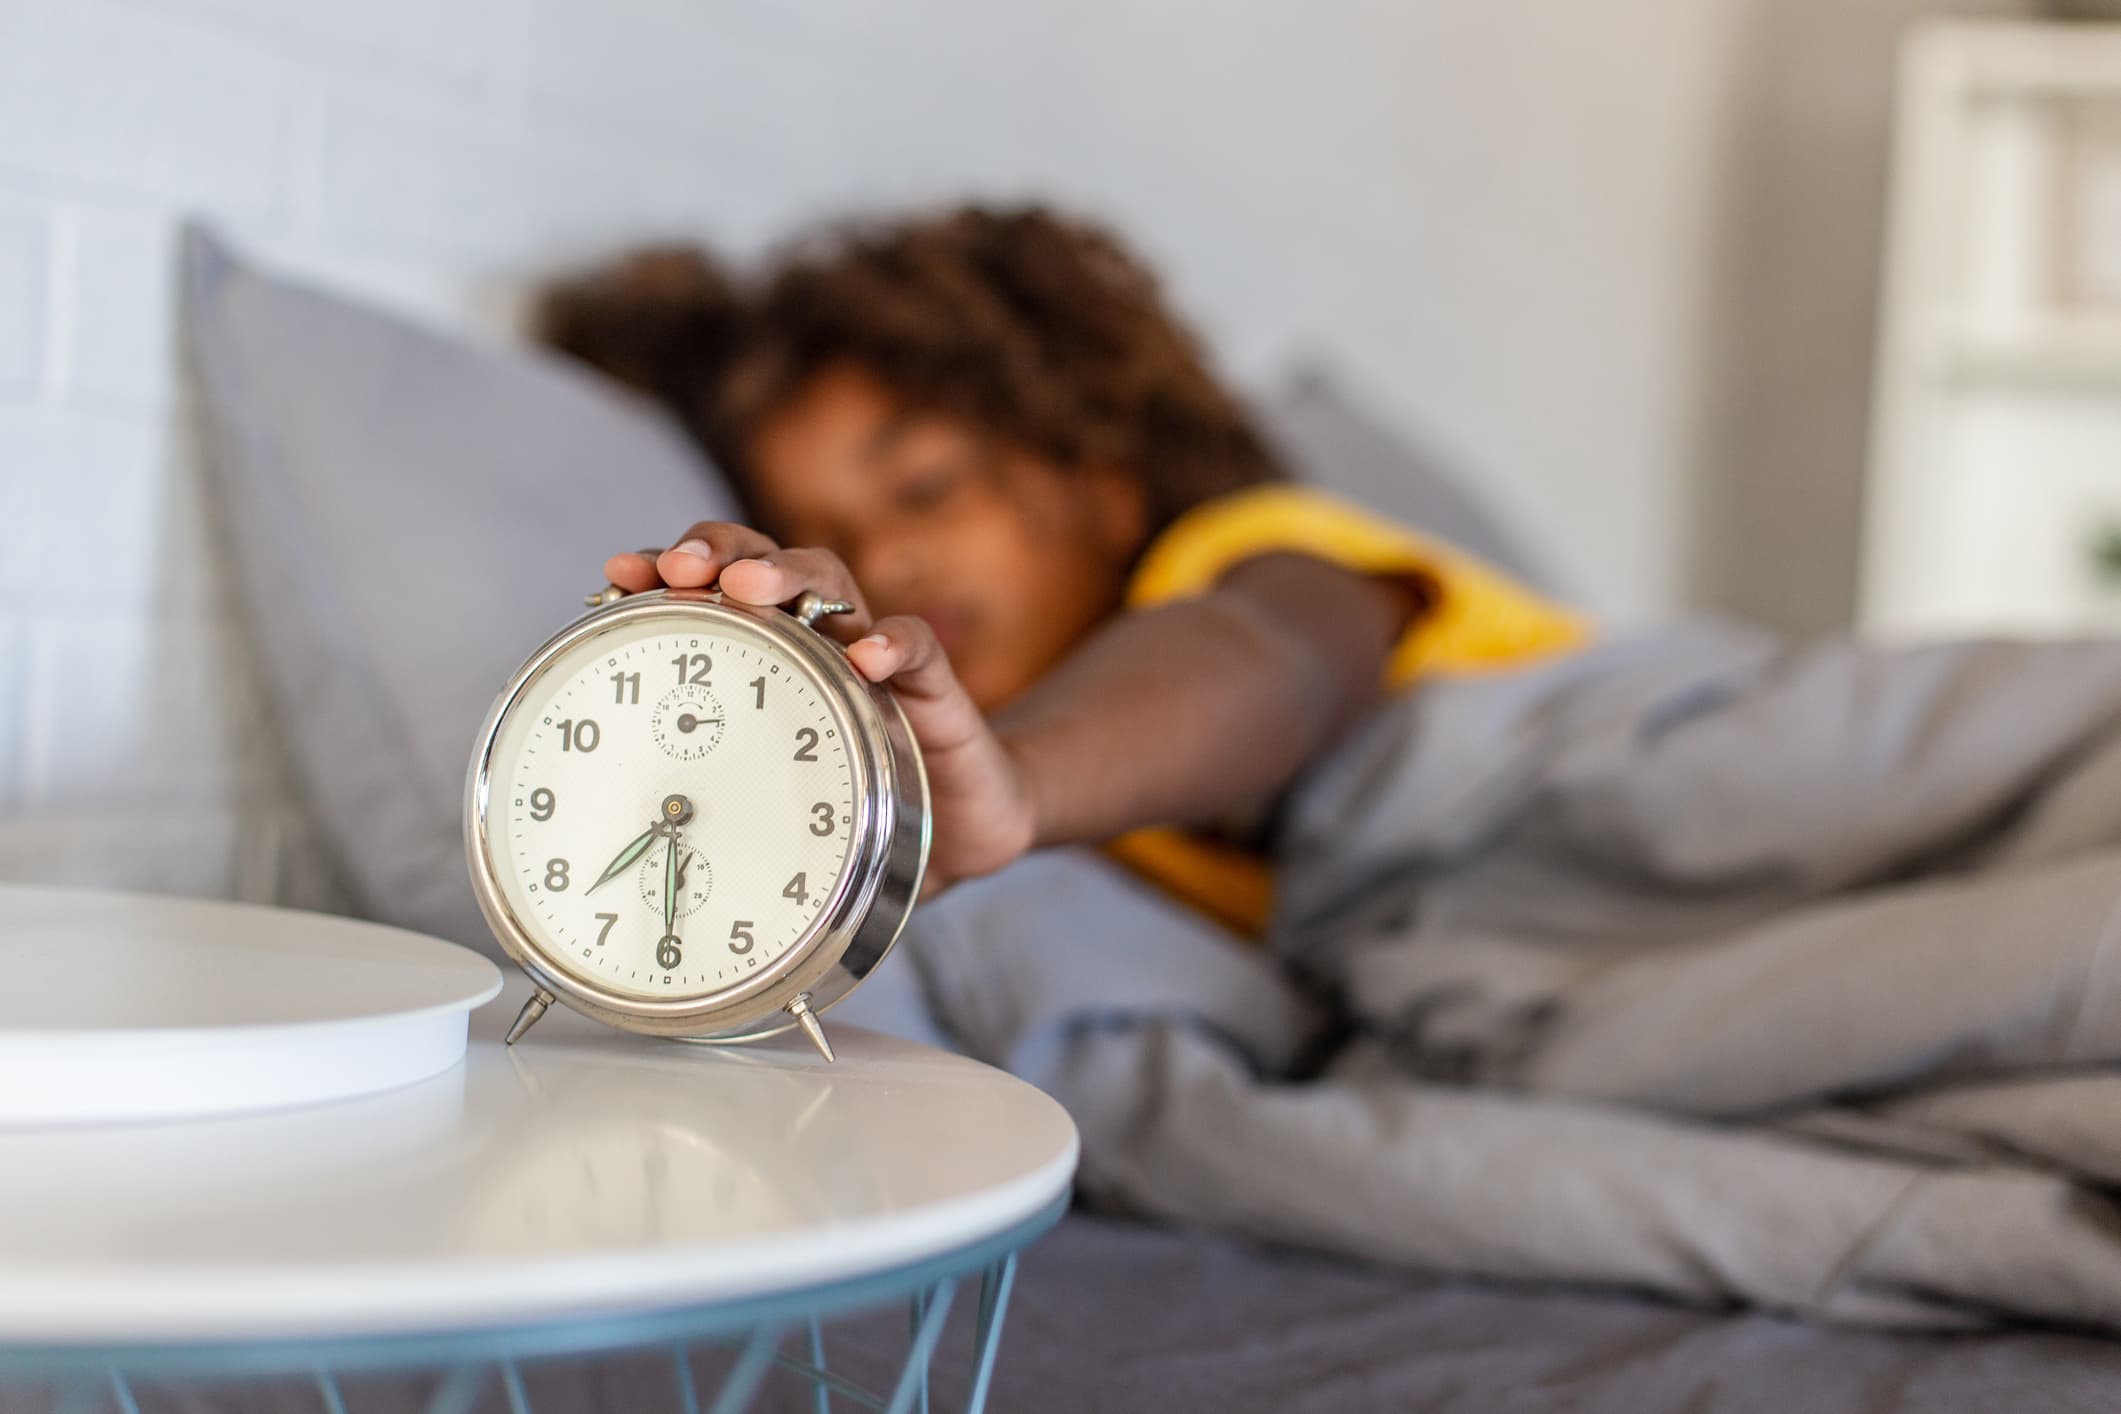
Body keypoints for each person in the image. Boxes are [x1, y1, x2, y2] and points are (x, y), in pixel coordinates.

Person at [538, 205, 1587, 934]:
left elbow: (1281, 659)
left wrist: (1021, 785)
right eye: (835, 539)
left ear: (1102, 473)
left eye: (927, 487)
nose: (889, 560)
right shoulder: (1071, 802)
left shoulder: (1253, 553)